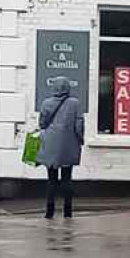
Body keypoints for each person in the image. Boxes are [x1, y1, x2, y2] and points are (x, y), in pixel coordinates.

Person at [36, 77, 84, 219]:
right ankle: (67, 212)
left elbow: (42, 123)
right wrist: (80, 140)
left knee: (51, 179)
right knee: (67, 179)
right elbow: (79, 126)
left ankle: (49, 212)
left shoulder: (46, 103)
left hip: (50, 144)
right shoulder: (75, 104)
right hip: (68, 144)